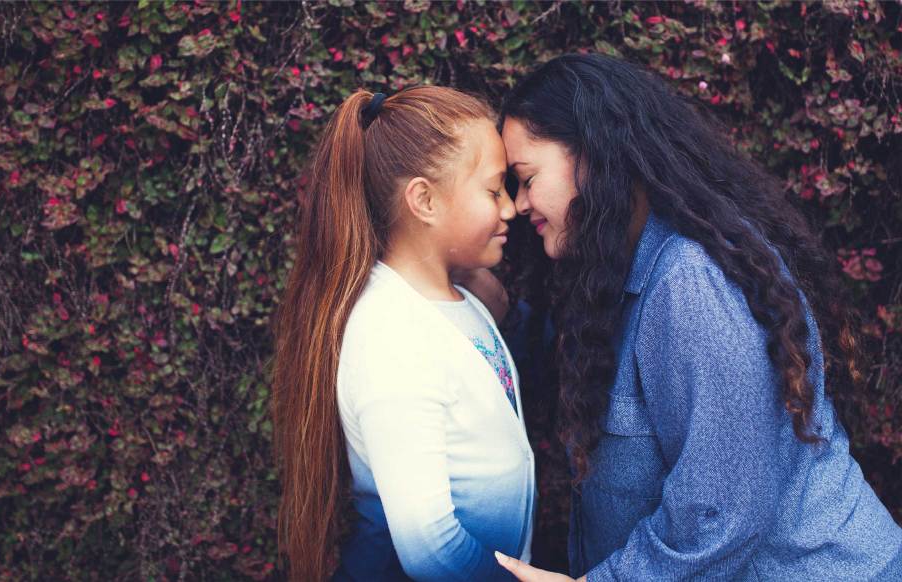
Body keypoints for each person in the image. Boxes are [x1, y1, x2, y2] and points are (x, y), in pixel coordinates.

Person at [487, 53, 902, 581]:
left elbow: (722, 510)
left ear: (594, 153)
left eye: (525, 178)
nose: (519, 205)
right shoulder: (618, 272)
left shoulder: (690, 281)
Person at [272, 86, 535, 581]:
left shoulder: (457, 304)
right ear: (424, 200)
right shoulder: (390, 334)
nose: (510, 209)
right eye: (493, 189)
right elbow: (429, 547)